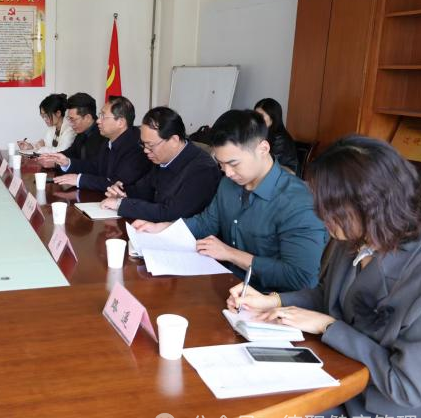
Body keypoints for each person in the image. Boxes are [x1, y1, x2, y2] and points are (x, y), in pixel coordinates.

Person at [229, 136, 421, 418]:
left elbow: (407, 386)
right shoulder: (357, 235)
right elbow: (330, 296)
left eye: (330, 209)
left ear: (371, 204)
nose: (321, 217)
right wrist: (274, 301)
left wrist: (329, 327)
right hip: (344, 398)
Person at [134, 110, 326, 292]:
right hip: (224, 284)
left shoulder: (299, 202)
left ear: (263, 148)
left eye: (233, 164)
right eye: (221, 164)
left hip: (268, 300)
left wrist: (230, 254)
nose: (227, 172)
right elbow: (206, 223)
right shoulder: (228, 184)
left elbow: (300, 276)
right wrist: (163, 228)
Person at [100, 107, 221, 222]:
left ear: (174, 140)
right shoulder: (163, 157)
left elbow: (171, 213)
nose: (145, 150)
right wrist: (122, 192)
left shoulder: (203, 170)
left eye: (150, 145)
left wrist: (121, 204)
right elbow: (144, 190)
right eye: (143, 144)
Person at [44, 96, 150, 193]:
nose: (98, 121)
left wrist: (79, 179)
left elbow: (117, 184)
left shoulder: (136, 147)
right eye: (100, 115)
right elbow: (94, 167)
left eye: (103, 116)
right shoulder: (108, 141)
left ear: (120, 122)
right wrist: (68, 163)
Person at [56, 92, 106, 162]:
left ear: (88, 118)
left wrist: (66, 163)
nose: (71, 124)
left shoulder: (103, 136)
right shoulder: (81, 133)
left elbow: (91, 165)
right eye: (69, 119)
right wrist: (52, 157)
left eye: (73, 119)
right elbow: (71, 153)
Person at [254, 97, 298, 173]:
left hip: (285, 175)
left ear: (272, 118)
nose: (256, 119)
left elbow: (268, 163)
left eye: (261, 116)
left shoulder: (280, 139)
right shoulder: (262, 133)